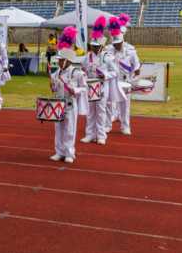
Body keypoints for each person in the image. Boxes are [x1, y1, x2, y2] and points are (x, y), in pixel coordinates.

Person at [50, 27, 87, 164]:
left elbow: (84, 88)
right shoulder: (56, 72)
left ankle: (69, 153)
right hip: (59, 103)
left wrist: (74, 90)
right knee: (58, 129)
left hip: (71, 104)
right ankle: (59, 152)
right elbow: (55, 89)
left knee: (70, 129)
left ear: (67, 60)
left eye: (61, 60)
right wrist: (52, 85)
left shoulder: (77, 73)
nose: (58, 62)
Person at [104, 15, 140, 136]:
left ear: (122, 41)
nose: (116, 46)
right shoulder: (108, 50)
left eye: (118, 43)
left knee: (125, 106)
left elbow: (137, 67)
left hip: (125, 81)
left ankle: (125, 126)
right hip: (112, 81)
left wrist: (134, 77)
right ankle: (107, 125)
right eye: (114, 43)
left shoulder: (131, 51)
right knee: (109, 103)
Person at [81, 16, 114, 145]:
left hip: (101, 86)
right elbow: (83, 69)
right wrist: (83, 75)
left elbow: (115, 72)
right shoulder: (87, 56)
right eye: (92, 46)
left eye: (96, 46)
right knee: (90, 112)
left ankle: (101, 135)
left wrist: (105, 75)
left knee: (101, 111)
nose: (93, 48)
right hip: (89, 86)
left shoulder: (107, 57)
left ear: (101, 46)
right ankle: (89, 134)